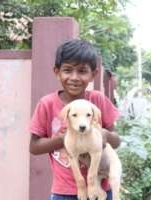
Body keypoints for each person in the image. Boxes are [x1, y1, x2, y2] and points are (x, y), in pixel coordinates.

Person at [29, 39, 120, 200]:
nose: (74, 77)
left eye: (82, 71)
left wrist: (104, 135)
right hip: (63, 192)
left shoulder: (98, 100)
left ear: (94, 74)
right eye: (67, 70)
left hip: (100, 190)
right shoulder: (47, 104)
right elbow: (34, 147)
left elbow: (116, 141)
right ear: (57, 72)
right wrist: (65, 139)